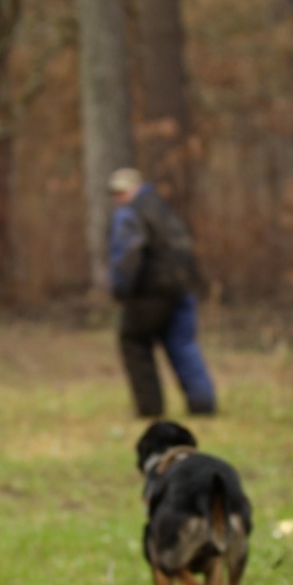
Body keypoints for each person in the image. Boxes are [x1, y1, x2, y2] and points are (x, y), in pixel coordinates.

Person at [108, 168, 217, 419]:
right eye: (115, 193)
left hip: (150, 291)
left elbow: (126, 256)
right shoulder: (162, 208)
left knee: (133, 341)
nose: (118, 198)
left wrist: (121, 289)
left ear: (136, 188)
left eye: (122, 191)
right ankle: (203, 404)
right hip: (181, 289)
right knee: (183, 344)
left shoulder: (130, 214)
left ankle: (149, 409)